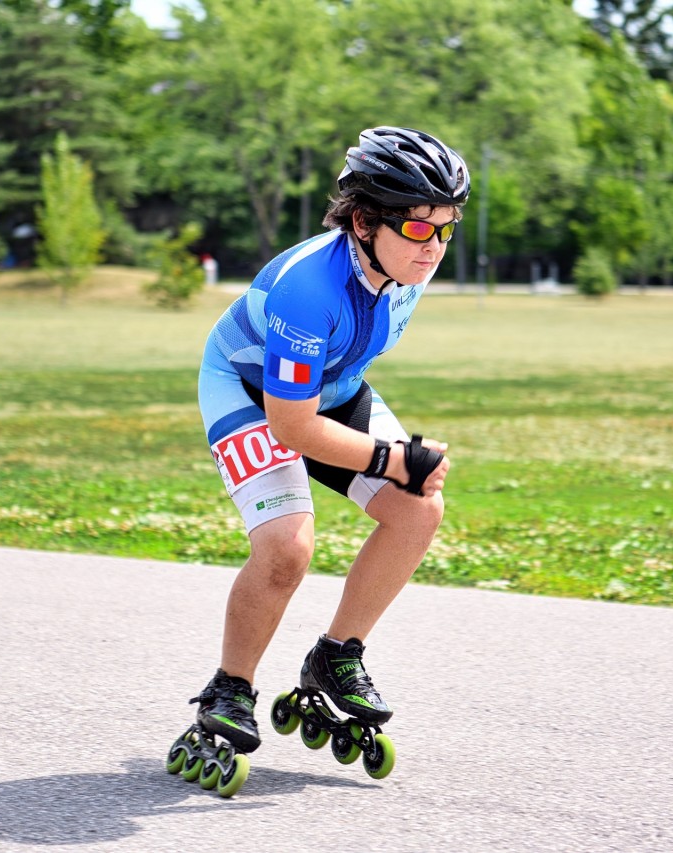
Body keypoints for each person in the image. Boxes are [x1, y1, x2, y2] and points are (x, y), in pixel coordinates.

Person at [189, 126, 470, 755]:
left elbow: (333, 386)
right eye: (420, 228)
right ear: (365, 222)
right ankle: (230, 686)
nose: (434, 248)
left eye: (447, 227)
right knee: (287, 548)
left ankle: (336, 655)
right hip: (248, 390)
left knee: (418, 505)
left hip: (330, 388)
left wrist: (402, 470)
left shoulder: (407, 266)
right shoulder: (308, 289)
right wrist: (391, 457)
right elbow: (291, 428)